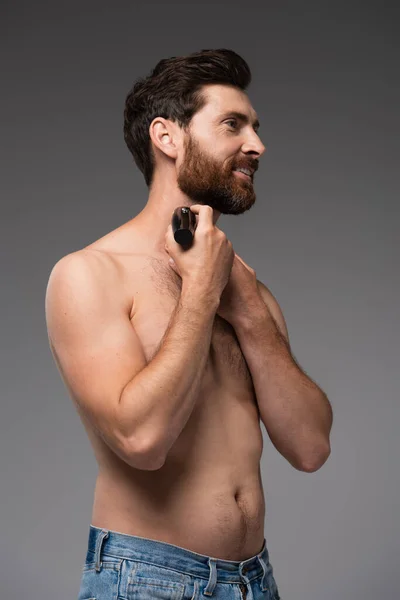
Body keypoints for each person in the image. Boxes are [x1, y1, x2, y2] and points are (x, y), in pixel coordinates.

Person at [45, 48, 333, 600]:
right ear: (167, 137)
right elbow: (143, 439)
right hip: (147, 579)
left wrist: (247, 309)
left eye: (256, 127)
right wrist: (201, 290)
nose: (257, 145)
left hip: (256, 580)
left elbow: (311, 447)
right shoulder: (88, 275)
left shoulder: (247, 289)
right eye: (233, 125)